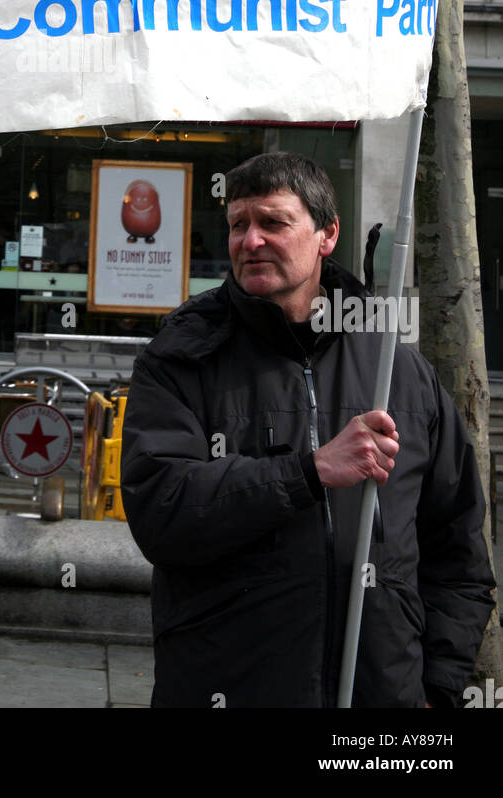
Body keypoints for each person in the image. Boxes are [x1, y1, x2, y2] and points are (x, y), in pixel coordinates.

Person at [120, 151, 495, 709]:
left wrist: (436, 688)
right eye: (238, 224)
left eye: (273, 222)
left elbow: (459, 555)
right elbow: (162, 511)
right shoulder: (182, 357)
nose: (250, 241)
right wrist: (308, 472)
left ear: (327, 234)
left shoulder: (398, 367)